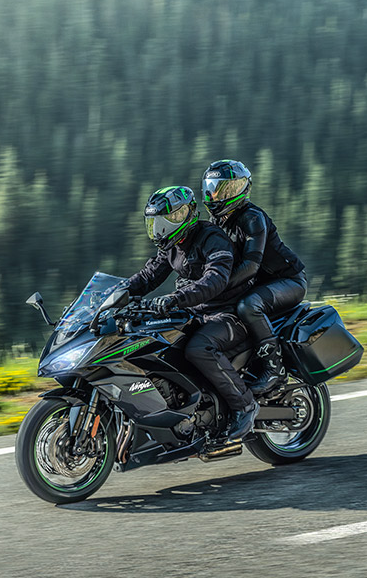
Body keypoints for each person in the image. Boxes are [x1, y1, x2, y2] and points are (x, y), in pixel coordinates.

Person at [123, 185, 258, 441]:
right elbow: (147, 277)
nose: (160, 229)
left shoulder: (212, 238)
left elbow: (215, 280)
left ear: (186, 213)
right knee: (150, 341)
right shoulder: (172, 246)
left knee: (199, 348)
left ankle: (245, 406)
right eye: (155, 223)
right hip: (195, 313)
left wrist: (176, 298)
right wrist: (112, 296)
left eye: (166, 220)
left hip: (228, 314)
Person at [201, 160, 306, 395]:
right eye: (214, 187)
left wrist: (217, 286)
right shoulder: (217, 222)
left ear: (241, 189)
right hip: (258, 284)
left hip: (288, 280)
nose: (217, 194)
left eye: (226, 188)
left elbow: (250, 266)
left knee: (248, 306)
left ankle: (274, 370)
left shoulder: (252, 217)